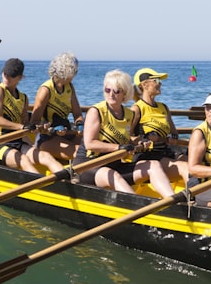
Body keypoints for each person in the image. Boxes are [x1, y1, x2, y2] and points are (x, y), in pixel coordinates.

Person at [76, 69, 176, 198]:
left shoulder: (129, 114)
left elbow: (127, 139)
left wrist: (139, 142)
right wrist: (118, 148)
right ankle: (138, 208)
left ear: (125, 94)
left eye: (117, 91)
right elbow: (90, 144)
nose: (111, 94)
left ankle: (174, 202)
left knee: (153, 165)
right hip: (88, 165)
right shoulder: (96, 111)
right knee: (113, 175)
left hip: (115, 164)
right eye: (108, 90)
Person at [0, 58, 62, 174]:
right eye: (5, 74)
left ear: (20, 78)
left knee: (46, 156)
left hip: (17, 142)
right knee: (23, 160)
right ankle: (42, 189)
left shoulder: (24, 98)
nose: (6, 78)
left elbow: (26, 124)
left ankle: (71, 185)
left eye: (11, 76)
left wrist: (40, 128)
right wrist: (21, 127)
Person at [131, 67, 188, 183]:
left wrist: (172, 138)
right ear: (145, 85)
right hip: (148, 155)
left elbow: (174, 133)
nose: (160, 83)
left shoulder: (164, 107)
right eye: (156, 81)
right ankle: (193, 198)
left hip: (166, 151)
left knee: (194, 162)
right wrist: (142, 140)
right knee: (186, 168)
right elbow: (127, 136)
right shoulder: (137, 109)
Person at [30, 52, 85, 165]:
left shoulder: (70, 87)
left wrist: (80, 124)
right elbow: (34, 123)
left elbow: (77, 113)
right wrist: (53, 129)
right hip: (47, 138)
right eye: (74, 71)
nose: (75, 74)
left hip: (67, 132)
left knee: (92, 147)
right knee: (81, 153)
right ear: (66, 72)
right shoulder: (46, 90)